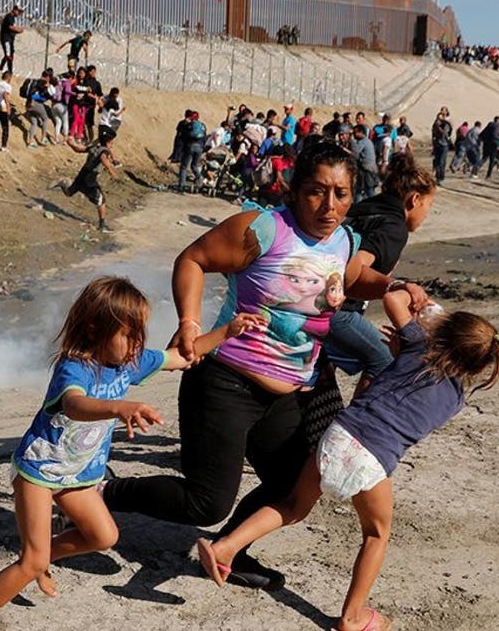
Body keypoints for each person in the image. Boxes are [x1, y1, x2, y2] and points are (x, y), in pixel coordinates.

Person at [101, 142, 429, 592]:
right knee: (205, 502)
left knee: (294, 486)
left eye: (341, 193)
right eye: (316, 191)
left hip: (289, 391)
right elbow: (193, 260)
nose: (329, 205)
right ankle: (104, 492)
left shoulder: (344, 240)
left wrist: (394, 284)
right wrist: (190, 323)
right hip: (224, 382)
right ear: (295, 190)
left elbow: (351, 279)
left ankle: (231, 551)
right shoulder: (263, 229)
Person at [0, 276, 266, 631]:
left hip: (78, 475)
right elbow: (74, 405)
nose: (137, 345)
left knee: (104, 537)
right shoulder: (74, 367)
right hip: (39, 473)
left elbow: (181, 356)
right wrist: (118, 408)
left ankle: (43, 559)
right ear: (93, 329)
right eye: (127, 335)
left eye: (140, 335)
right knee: (29, 562)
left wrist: (228, 331)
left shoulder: (130, 362)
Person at [197, 292, 499, 631]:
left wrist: (421, 300)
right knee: (376, 534)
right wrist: (415, 342)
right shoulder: (456, 398)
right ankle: (352, 616)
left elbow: (393, 300)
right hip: (372, 459)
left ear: (441, 333)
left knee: (293, 506)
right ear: (480, 366)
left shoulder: (417, 345)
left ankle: (226, 546)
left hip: (338, 435)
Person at [325, 154, 437, 393]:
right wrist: (396, 285)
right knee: (385, 359)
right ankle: (358, 425)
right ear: (415, 199)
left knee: (326, 366)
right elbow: (354, 267)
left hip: (311, 296)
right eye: (428, 206)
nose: (427, 214)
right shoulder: (394, 227)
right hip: (336, 309)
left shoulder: (365, 208)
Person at [55, 125, 119, 233]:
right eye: (111, 143)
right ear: (108, 143)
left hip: (82, 174)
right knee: (101, 200)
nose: (112, 145)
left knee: (69, 192)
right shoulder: (104, 151)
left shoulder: (94, 147)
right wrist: (112, 172)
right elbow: (104, 160)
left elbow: (79, 149)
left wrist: (71, 144)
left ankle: (62, 183)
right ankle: (102, 225)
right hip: (90, 179)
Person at [24, 73, 55, 148]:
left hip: (28, 104)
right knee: (46, 119)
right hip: (35, 103)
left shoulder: (38, 81)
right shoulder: (41, 82)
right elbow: (33, 91)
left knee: (34, 123)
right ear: (47, 77)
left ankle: (30, 142)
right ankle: (43, 138)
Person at [178, 111, 207, 192]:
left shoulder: (189, 125)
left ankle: (181, 186)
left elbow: (183, 136)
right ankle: (199, 177)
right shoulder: (202, 126)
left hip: (190, 147)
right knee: (194, 165)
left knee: (184, 167)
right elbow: (204, 137)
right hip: (200, 148)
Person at [350, 124, 378, 201]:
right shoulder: (368, 141)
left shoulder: (362, 142)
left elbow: (355, 153)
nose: (354, 135)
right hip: (368, 169)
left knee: (368, 190)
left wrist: (350, 142)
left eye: (355, 133)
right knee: (360, 189)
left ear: (361, 132)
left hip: (367, 169)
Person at [0, 4, 25, 73]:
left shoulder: (12, 18)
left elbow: (12, 29)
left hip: (10, 39)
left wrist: (18, 31)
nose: (19, 14)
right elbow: (11, 27)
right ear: (15, 10)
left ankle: (9, 71)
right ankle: (1, 70)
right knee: (8, 55)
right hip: (6, 39)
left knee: (10, 56)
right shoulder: (9, 16)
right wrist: (19, 30)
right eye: (18, 12)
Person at [431, 108, 452, 186]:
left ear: (447, 112)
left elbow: (445, 134)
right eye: (441, 110)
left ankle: (440, 177)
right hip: (437, 143)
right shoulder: (436, 122)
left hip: (444, 144)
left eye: (444, 110)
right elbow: (433, 132)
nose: (442, 112)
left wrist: (439, 126)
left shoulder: (448, 122)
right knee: (437, 161)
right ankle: (437, 177)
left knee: (441, 161)